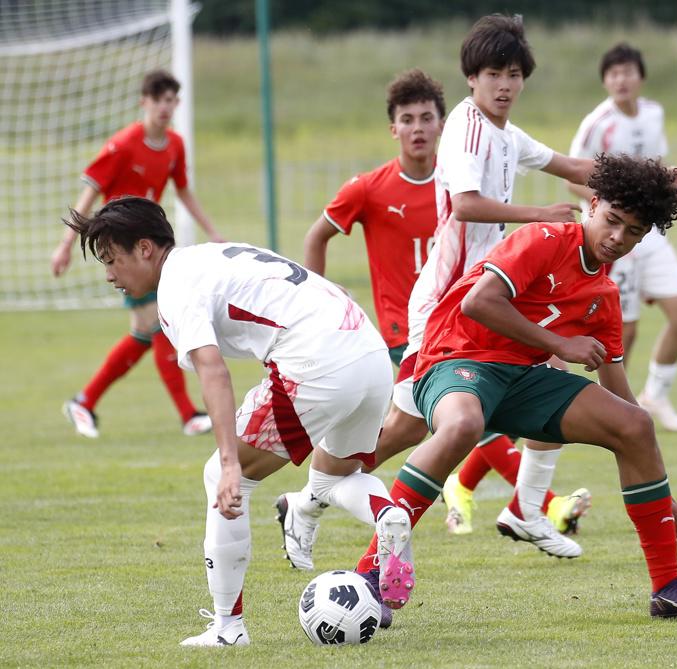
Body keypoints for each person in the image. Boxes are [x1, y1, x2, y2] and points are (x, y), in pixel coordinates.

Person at [357, 152, 677, 619]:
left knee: (633, 424)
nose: (617, 238)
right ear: (591, 204)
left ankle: (668, 590)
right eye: (612, 220)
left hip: (521, 380)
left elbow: (621, 400)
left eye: (633, 232)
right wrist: (561, 345)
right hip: (455, 358)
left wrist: (663, 499)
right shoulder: (544, 238)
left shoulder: (603, 296)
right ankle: (371, 573)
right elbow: (478, 302)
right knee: (463, 425)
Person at [275, 56, 592, 579]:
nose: (506, 85)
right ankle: (321, 511)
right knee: (439, 426)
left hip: (484, 304)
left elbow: (575, 167)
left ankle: (524, 508)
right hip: (439, 316)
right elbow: (465, 207)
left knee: (440, 421)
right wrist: (321, 305)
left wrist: (646, 178)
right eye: (495, 74)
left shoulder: (505, 137)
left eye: (514, 75)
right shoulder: (446, 149)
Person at [64, 196, 415, 646]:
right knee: (332, 478)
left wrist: (231, 462)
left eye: (113, 260)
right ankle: (388, 515)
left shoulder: (175, 287)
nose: (110, 274)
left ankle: (229, 628)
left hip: (318, 360)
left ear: (146, 248)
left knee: (222, 476)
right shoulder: (209, 255)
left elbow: (213, 369)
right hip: (368, 354)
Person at [51, 70, 222, 439]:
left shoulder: (175, 144)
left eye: (171, 100)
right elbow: (90, 193)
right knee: (156, 325)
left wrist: (213, 232)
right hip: (123, 249)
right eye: (159, 100)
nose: (166, 107)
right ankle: (187, 415)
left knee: (149, 330)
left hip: (148, 249)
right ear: (144, 101)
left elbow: (184, 191)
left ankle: (85, 401)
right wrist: (66, 244)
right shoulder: (125, 144)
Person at [569, 43, 677, 432]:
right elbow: (571, 174)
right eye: (613, 73)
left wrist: (675, 198)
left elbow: (657, 166)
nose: (620, 80)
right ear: (605, 80)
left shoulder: (654, 113)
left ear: (640, 76)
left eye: (627, 72)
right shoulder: (597, 123)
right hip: (614, 237)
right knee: (625, 330)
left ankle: (655, 396)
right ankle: (611, 410)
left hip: (651, 233)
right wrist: (607, 212)